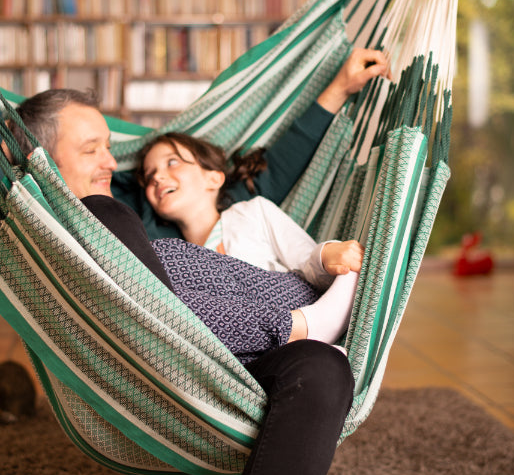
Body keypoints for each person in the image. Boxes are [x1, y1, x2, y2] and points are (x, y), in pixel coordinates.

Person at [7, 48, 390, 475]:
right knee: (138, 235)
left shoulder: (245, 210)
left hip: (255, 353)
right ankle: (303, 322)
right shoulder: (131, 215)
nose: (113, 163)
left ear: (215, 179)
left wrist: (337, 90)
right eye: (91, 150)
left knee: (325, 367)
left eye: (109, 147)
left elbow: (283, 187)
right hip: (173, 354)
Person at [136, 131, 365, 350]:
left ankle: (308, 325)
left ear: (213, 178)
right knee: (160, 286)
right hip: (241, 355)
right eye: (149, 176)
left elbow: (307, 263)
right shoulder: (178, 256)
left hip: (291, 299)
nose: (157, 177)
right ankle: (306, 332)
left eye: (172, 162)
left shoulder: (253, 213)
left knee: (165, 260)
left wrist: (326, 254)